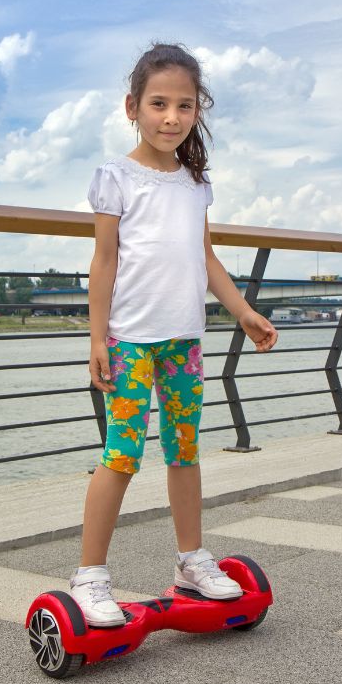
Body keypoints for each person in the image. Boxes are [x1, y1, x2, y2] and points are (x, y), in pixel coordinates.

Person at [69, 42, 278, 627]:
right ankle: (90, 576)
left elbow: (204, 256)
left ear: (197, 110)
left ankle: (191, 560)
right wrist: (96, 340)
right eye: (159, 104)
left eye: (184, 106)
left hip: (183, 339)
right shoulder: (116, 178)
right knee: (122, 454)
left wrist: (242, 311)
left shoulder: (194, 182)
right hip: (130, 341)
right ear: (132, 106)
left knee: (184, 451)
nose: (171, 117)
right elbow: (104, 263)